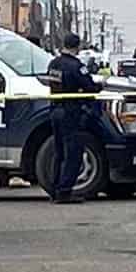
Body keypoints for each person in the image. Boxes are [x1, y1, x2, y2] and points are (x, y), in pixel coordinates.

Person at [46, 32, 102, 204]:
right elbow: (90, 87)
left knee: (59, 152)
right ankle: (64, 191)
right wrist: (100, 85)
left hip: (55, 109)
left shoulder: (53, 63)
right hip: (71, 112)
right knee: (73, 153)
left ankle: (55, 189)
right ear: (77, 47)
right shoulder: (76, 66)